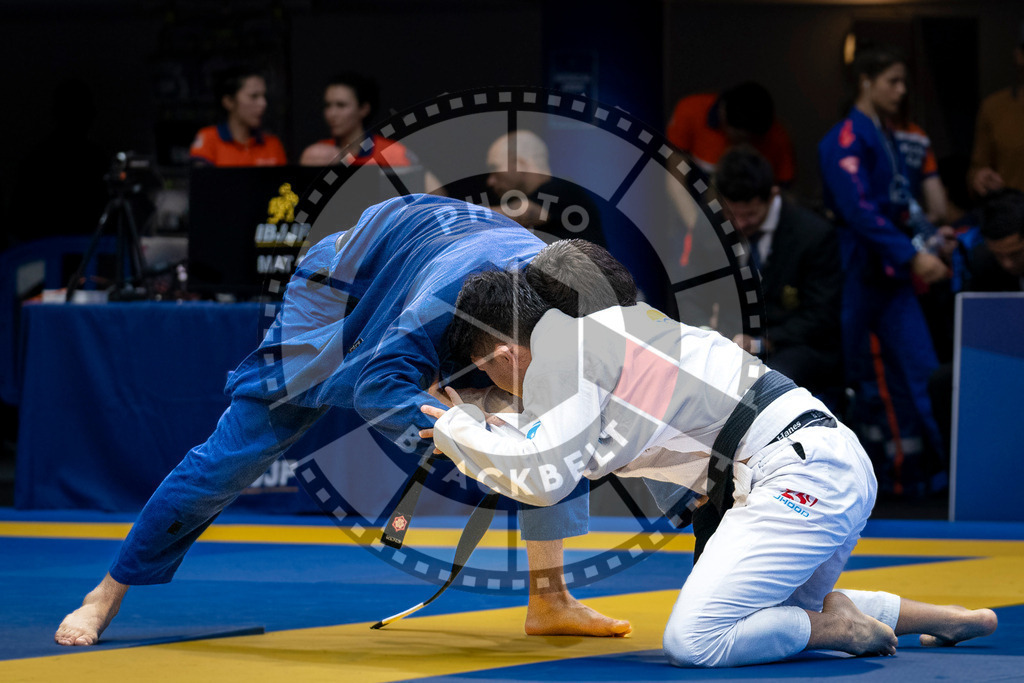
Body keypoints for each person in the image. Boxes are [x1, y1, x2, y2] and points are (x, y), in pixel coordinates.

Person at [54, 194, 630, 647]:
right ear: (502, 351)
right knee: (239, 449)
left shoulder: (572, 295)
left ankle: (550, 600)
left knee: (549, 428)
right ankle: (107, 591)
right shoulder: (440, 309)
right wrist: (469, 430)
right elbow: (377, 388)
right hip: (348, 281)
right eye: (530, 369)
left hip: (440, 254)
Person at [419, 268, 998, 668]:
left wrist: (454, 429)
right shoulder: (606, 330)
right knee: (766, 616)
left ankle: (835, 628)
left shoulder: (566, 357)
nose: (498, 387)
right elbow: (555, 440)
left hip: (795, 474)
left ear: (502, 353)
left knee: (697, 640)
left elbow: (544, 478)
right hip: (821, 460)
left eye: (488, 373)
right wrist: (477, 420)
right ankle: (946, 617)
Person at [818, 45, 949, 496]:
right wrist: (913, 257)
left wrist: (926, 244)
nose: (901, 90)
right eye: (892, 81)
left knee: (922, 371)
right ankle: (870, 482)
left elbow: (899, 206)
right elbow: (860, 211)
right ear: (866, 82)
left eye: (904, 81)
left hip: (892, 274)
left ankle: (942, 473)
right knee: (858, 380)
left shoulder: (889, 137)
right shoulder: (845, 140)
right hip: (858, 271)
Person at [713, 146, 843, 394]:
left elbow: (820, 317)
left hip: (798, 345)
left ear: (772, 195)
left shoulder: (814, 235)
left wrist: (761, 343)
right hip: (736, 340)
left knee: (766, 383)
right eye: (732, 214)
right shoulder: (717, 228)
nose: (740, 223)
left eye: (750, 214)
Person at [480, 131, 608, 248]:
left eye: (494, 169)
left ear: (520, 164)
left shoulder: (562, 189)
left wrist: (463, 214)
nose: (490, 181)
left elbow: (522, 213)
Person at [666, 81, 795, 184]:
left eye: (751, 140)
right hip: (694, 203)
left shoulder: (777, 136)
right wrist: (692, 216)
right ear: (723, 115)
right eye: (739, 137)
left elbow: (785, 193)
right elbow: (675, 179)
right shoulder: (690, 111)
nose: (743, 144)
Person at [190, 66, 287, 167]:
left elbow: (285, 183)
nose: (263, 103)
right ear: (229, 102)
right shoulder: (209, 139)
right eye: (254, 96)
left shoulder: (272, 144)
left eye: (264, 96)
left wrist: (300, 174)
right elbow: (201, 181)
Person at [968, 23, 1024, 197]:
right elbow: (978, 168)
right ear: (1019, 56)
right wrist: (979, 177)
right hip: (1012, 215)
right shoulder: (994, 107)